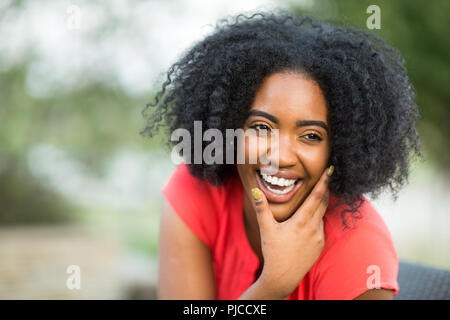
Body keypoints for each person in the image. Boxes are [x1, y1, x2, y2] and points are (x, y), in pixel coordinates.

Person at [142, 11, 422, 300]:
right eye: (261, 127)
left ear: (338, 147)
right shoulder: (197, 191)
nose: (281, 157)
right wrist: (272, 286)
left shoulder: (360, 249)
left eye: (311, 136)